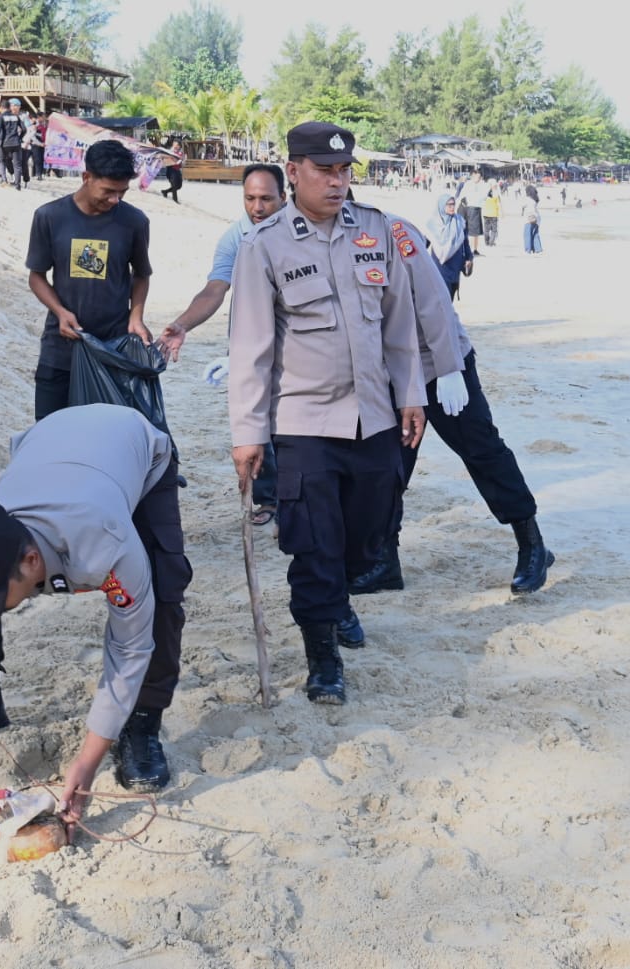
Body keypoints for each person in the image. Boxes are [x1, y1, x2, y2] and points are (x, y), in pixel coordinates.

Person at [228, 122, 428, 706]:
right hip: (304, 423)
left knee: (367, 540)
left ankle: (337, 601)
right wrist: (248, 433)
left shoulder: (375, 232)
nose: (337, 182)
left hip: (375, 419)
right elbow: (251, 348)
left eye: (344, 171)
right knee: (314, 545)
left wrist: (411, 391)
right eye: (325, 171)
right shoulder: (264, 245)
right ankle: (323, 657)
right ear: (294, 172)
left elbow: (399, 322)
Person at [0, 405, 192, 835]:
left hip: (134, 446)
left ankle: (143, 725)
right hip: (47, 442)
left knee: (163, 591)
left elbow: (129, 649)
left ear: (33, 561)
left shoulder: (104, 544)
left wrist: (86, 765)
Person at [349, 212, 553, 597]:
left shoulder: (390, 229)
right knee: (389, 466)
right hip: (392, 373)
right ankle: (384, 561)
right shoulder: (312, 238)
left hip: (438, 365)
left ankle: (532, 546)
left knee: (482, 450)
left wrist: (447, 367)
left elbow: (433, 297)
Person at [158, 163, 288, 523]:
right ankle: (268, 499)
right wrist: (183, 324)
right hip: (251, 343)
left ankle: (294, 499)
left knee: (292, 426)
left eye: (266, 199)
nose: (257, 207)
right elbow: (216, 288)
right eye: (250, 199)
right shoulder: (237, 237)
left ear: (284, 198)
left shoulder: (299, 230)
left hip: (297, 345)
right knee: (255, 421)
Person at [25, 140, 153, 420]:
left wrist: (136, 317)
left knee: (106, 438)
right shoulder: (50, 217)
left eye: (122, 192)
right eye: (108, 191)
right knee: (49, 434)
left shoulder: (134, 222)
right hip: (60, 350)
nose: (115, 200)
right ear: (86, 177)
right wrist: (60, 312)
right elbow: (37, 276)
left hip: (113, 352)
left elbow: (142, 274)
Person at [426, 193, 474, 299]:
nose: (452, 207)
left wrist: (469, 258)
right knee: (441, 303)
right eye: (449, 205)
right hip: (439, 269)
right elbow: (423, 244)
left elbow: (465, 243)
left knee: (450, 301)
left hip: (455, 268)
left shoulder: (460, 222)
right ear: (442, 206)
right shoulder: (433, 224)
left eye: (453, 204)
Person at [0, 98, 28, 190]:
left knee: (4, 160)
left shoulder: (3, 117)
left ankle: (6, 180)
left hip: (11, 143)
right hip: (15, 143)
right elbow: (24, 129)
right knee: (14, 163)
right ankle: (15, 183)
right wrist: (19, 138)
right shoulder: (14, 116)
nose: (14, 108)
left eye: (16, 106)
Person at [457, 170, 486, 255]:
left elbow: (484, 196)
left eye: (479, 177)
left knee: (476, 231)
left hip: (477, 207)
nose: (479, 178)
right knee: (469, 230)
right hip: (468, 207)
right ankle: (468, 249)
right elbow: (461, 195)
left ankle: (475, 249)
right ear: (473, 175)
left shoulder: (482, 185)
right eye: (477, 176)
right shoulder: (468, 184)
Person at [158, 136, 184, 203]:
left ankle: (165, 191)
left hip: (178, 171)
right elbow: (162, 156)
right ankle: (175, 200)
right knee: (174, 185)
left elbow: (179, 159)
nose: (176, 146)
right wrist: (169, 156)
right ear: (173, 144)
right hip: (171, 170)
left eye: (177, 145)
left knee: (179, 186)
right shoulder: (169, 151)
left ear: (180, 146)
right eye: (175, 144)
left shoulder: (180, 152)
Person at [521, 186, 543, 254]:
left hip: (529, 219)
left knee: (527, 235)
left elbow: (522, 205)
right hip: (537, 219)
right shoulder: (535, 199)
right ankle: (538, 249)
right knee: (535, 234)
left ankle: (528, 250)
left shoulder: (527, 199)